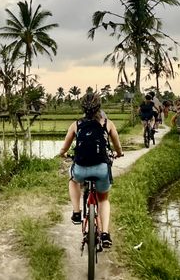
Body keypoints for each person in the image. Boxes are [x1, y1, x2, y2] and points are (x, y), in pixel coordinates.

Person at [58, 92, 123, 249]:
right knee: (103, 199)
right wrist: (119, 153)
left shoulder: (76, 125)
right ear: (99, 107)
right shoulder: (107, 123)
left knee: (73, 180)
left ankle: (76, 212)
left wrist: (63, 154)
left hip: (81, 169)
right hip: (102, 169)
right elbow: (117, 146)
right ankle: (105, 234)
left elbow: (64, 148)